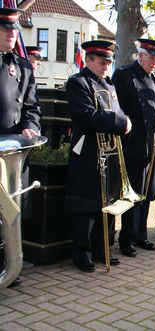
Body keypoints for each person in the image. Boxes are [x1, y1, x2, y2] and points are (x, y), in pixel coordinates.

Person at [65, 40, 132, 272]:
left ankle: (103, 247)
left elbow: (116, 111)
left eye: (108, 62)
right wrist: (121, 122)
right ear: (89, 59)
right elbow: (86, 115)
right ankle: (82, 252)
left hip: (109, 152)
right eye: (102, 62)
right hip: (87, 151)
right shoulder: (78, 83)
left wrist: (121, 120)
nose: (106, 66)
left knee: (108, 200)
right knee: (86, 203)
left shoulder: (110, 86)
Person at [112, 38, 155, 257]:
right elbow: (118, 108)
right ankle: (126, 238)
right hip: (132, 143)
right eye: (151, 57)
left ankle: (140, 235)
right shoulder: (124, 75)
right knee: (131, 194)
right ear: (141, 55)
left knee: (147, 194)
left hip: (152, 144)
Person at [0, 8, 41, 287]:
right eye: (6, 30)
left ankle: (9, 267)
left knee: (11, 211)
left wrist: (31, 126)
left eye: (15, 30)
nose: (12, 35)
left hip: (12, 152)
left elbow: (31, 107)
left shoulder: (23, 67)